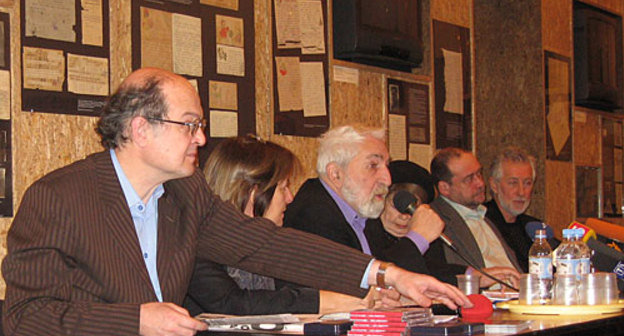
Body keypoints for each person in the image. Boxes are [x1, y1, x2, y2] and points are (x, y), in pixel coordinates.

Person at [2, 68, 470, 336]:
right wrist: (134, 321)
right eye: (190, 124)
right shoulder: (59, 198)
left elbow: (267, 246)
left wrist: (390, 273)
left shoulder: (186, 194)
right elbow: (23, 318)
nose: (202, 138)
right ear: (140, 129)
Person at [184, 135, 386, 315]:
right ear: (254, 194)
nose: (290, 198)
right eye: (283, 188)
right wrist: (325, 302)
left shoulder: (277, 244)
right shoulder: (197, 244)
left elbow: (301, 285)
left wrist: (372, 294)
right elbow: (234, 303)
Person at [283, 126, 442, 273]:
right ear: (335, 174)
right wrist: (417, 238)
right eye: (373, 165)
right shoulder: (312, 215)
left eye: (386, 166)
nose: (387, 179)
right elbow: (361, 284)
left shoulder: (361, 211)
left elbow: (382, 264)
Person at [426, 147, 521, 290]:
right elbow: (435, 272)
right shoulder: (434, 219)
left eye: (479, 174)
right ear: (445, 188)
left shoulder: (486, 216)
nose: (480, 184)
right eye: (469, 179)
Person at [364, 161, 450, 281]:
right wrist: (416, 240)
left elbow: (437, 271)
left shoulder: (427, 234)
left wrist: (474, 274)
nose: (404, 217)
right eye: (396, 206)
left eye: (412, 209)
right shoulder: (366, 232)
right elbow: (383, 274)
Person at [485, 147, 558, 273]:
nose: (521, 192)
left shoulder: (534, 228)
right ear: (494, 185)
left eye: (527, 183)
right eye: (513, 183)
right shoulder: (481, 223)